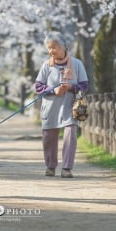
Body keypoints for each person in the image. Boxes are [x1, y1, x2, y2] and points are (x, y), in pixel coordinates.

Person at [34, 31, 88, 178]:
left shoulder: (77, 64)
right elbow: (38, 87)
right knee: (48, 138)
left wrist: (70, 87)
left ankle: (66, 168)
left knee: (70, 136)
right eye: (49, 48)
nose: (51, 50)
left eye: (55, 47)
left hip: (70, 107)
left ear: (64, 47)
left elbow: (84, 86)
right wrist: (53, 90)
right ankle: (50, 167)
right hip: (50, 107)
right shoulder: (46, 65)